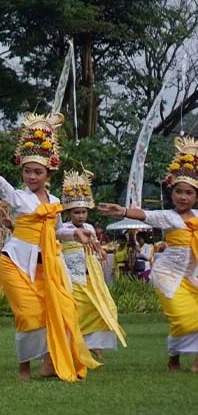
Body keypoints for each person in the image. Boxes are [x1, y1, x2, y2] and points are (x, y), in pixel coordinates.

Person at [0, 112, 99, 382]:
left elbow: (57, 230)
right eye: (27, 171)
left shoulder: (56, 199)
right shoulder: (19, 198)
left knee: (58, 310)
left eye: (37, 172)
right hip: (15, 262)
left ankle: (49, 363)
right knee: (28, 315)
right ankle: (24, 367)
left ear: (49, 172)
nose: (31, 176)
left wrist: (77, 235)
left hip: (45, 266)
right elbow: (0, 184)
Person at [99, 135, 198, 372]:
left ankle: (178, 357)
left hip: (192, 276)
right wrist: (122, 210)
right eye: (179, 192)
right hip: (168, 275)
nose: (183, 197)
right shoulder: (169, 217)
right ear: (171, 192)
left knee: (186, 320)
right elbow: (145, 215)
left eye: (189, 193)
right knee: (184, 318)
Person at [59, 170, 125, 361]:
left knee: (101, 308)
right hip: (72, 274)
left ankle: (95, 345)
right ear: (69, 213)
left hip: (91, 274)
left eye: (83, 212)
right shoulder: (63, 229)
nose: (80, 216)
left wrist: (101, 250)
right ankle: (73, 344)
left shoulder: (88, 228)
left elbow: (95, 244)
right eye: (76, 212)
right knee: (76, 310)